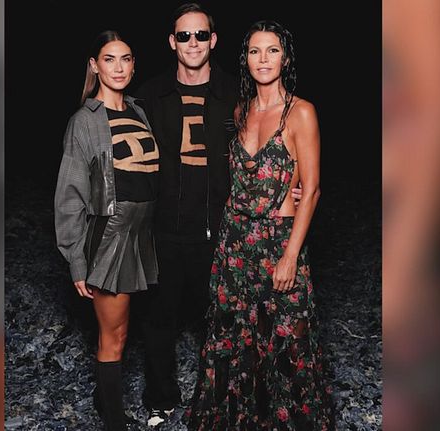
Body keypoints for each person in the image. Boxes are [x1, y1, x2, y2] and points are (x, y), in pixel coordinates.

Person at [186, 20, 333, 430]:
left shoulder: (301, 112)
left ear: (285, 58)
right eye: (254, 51)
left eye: (272, 50)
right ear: (245, 59)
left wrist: (290, 256)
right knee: (234, 342)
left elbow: (312, 189)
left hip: (278, 241)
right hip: (235, 244)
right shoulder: (241, 110)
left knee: (287, 343)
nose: (263, 59)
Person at [134, 3, 238, 427]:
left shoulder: (236, 93)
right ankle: (161, 398)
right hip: (163, 229)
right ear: (171, 42)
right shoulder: (149, 95)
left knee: (222, 322)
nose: (192, 43)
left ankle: (222, 401)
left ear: (213, 40)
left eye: (200, 35)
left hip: (220, 230)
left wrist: (294, 185)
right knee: (158, 320)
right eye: (184, 35)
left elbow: (271, 142)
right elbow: (123, 154)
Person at [54, 30, 158, 431]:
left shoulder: (138, 111)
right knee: (113, 336)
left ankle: (104, 400)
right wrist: (76, 260)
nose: (118, 67)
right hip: (110, 235)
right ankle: (114, 422)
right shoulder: (84, 121)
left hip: (141, 232)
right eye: (109, 59)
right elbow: (69, 195)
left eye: (126, 59)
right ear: (94, 66)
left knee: (124, 331)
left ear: (134, 66)